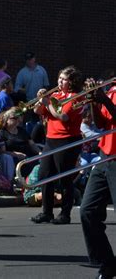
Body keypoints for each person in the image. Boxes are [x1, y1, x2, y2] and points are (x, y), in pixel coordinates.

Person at [31, 66, 83, 225]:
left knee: (64, 178)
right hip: (51, 139)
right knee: (45, 176)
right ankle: (47, 212)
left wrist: (48, 103)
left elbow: (62, 116)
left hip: (68, 140)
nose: (60, 81)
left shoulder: (76, 97)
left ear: (72, 81)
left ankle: (65, 214)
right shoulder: (55, 95)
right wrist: (41, 100)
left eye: (64, 79)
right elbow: (38, 111)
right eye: (59, 78)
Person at [79, 77, 116, 279]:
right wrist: (94, 101)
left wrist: (104, 100)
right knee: (88, 211)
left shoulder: (109, 94)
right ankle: (107, 263)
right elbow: (102, 123)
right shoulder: (111, 89)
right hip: (105, 156)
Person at [0, 107, 41, 182]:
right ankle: (9, 183)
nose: (17, 120)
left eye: (18, 118)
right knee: (5, 157)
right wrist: (16, 154)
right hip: (14, 159)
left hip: (28, 157)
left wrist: (40, 152)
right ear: (6, 120)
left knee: (43, 159)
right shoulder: (1, 134)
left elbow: (32, 145)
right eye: (14, 118)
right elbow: (1, 152)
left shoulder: (22, 131)